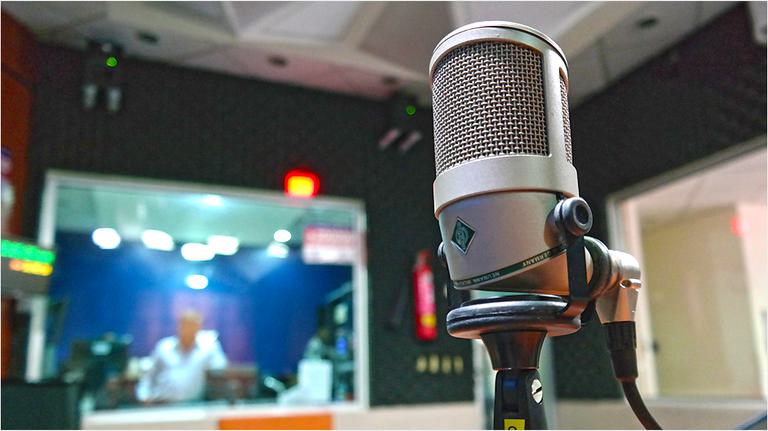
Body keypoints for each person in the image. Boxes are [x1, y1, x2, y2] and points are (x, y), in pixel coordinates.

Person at [136, 310, 227, 403]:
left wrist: (212, 342)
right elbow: (149, 376)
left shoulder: (208, 348)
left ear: (199, 327)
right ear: (180, 326)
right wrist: (143, 396)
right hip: (162, 404)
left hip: (193, 406)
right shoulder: (164, 347)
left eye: (194, 326)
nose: (190, 330)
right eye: (187, 325)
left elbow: (220, 367)